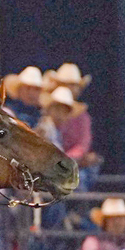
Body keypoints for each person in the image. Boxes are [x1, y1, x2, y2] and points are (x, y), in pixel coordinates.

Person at [47, 64, 100, 192]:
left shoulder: (82, 118)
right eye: (65, 84)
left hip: (72, 165)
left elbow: (82, 146)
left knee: (78, 181)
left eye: (73, 85)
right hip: (50, 165)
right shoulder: (45, 114)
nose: (69, 88)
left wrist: (62, 161)